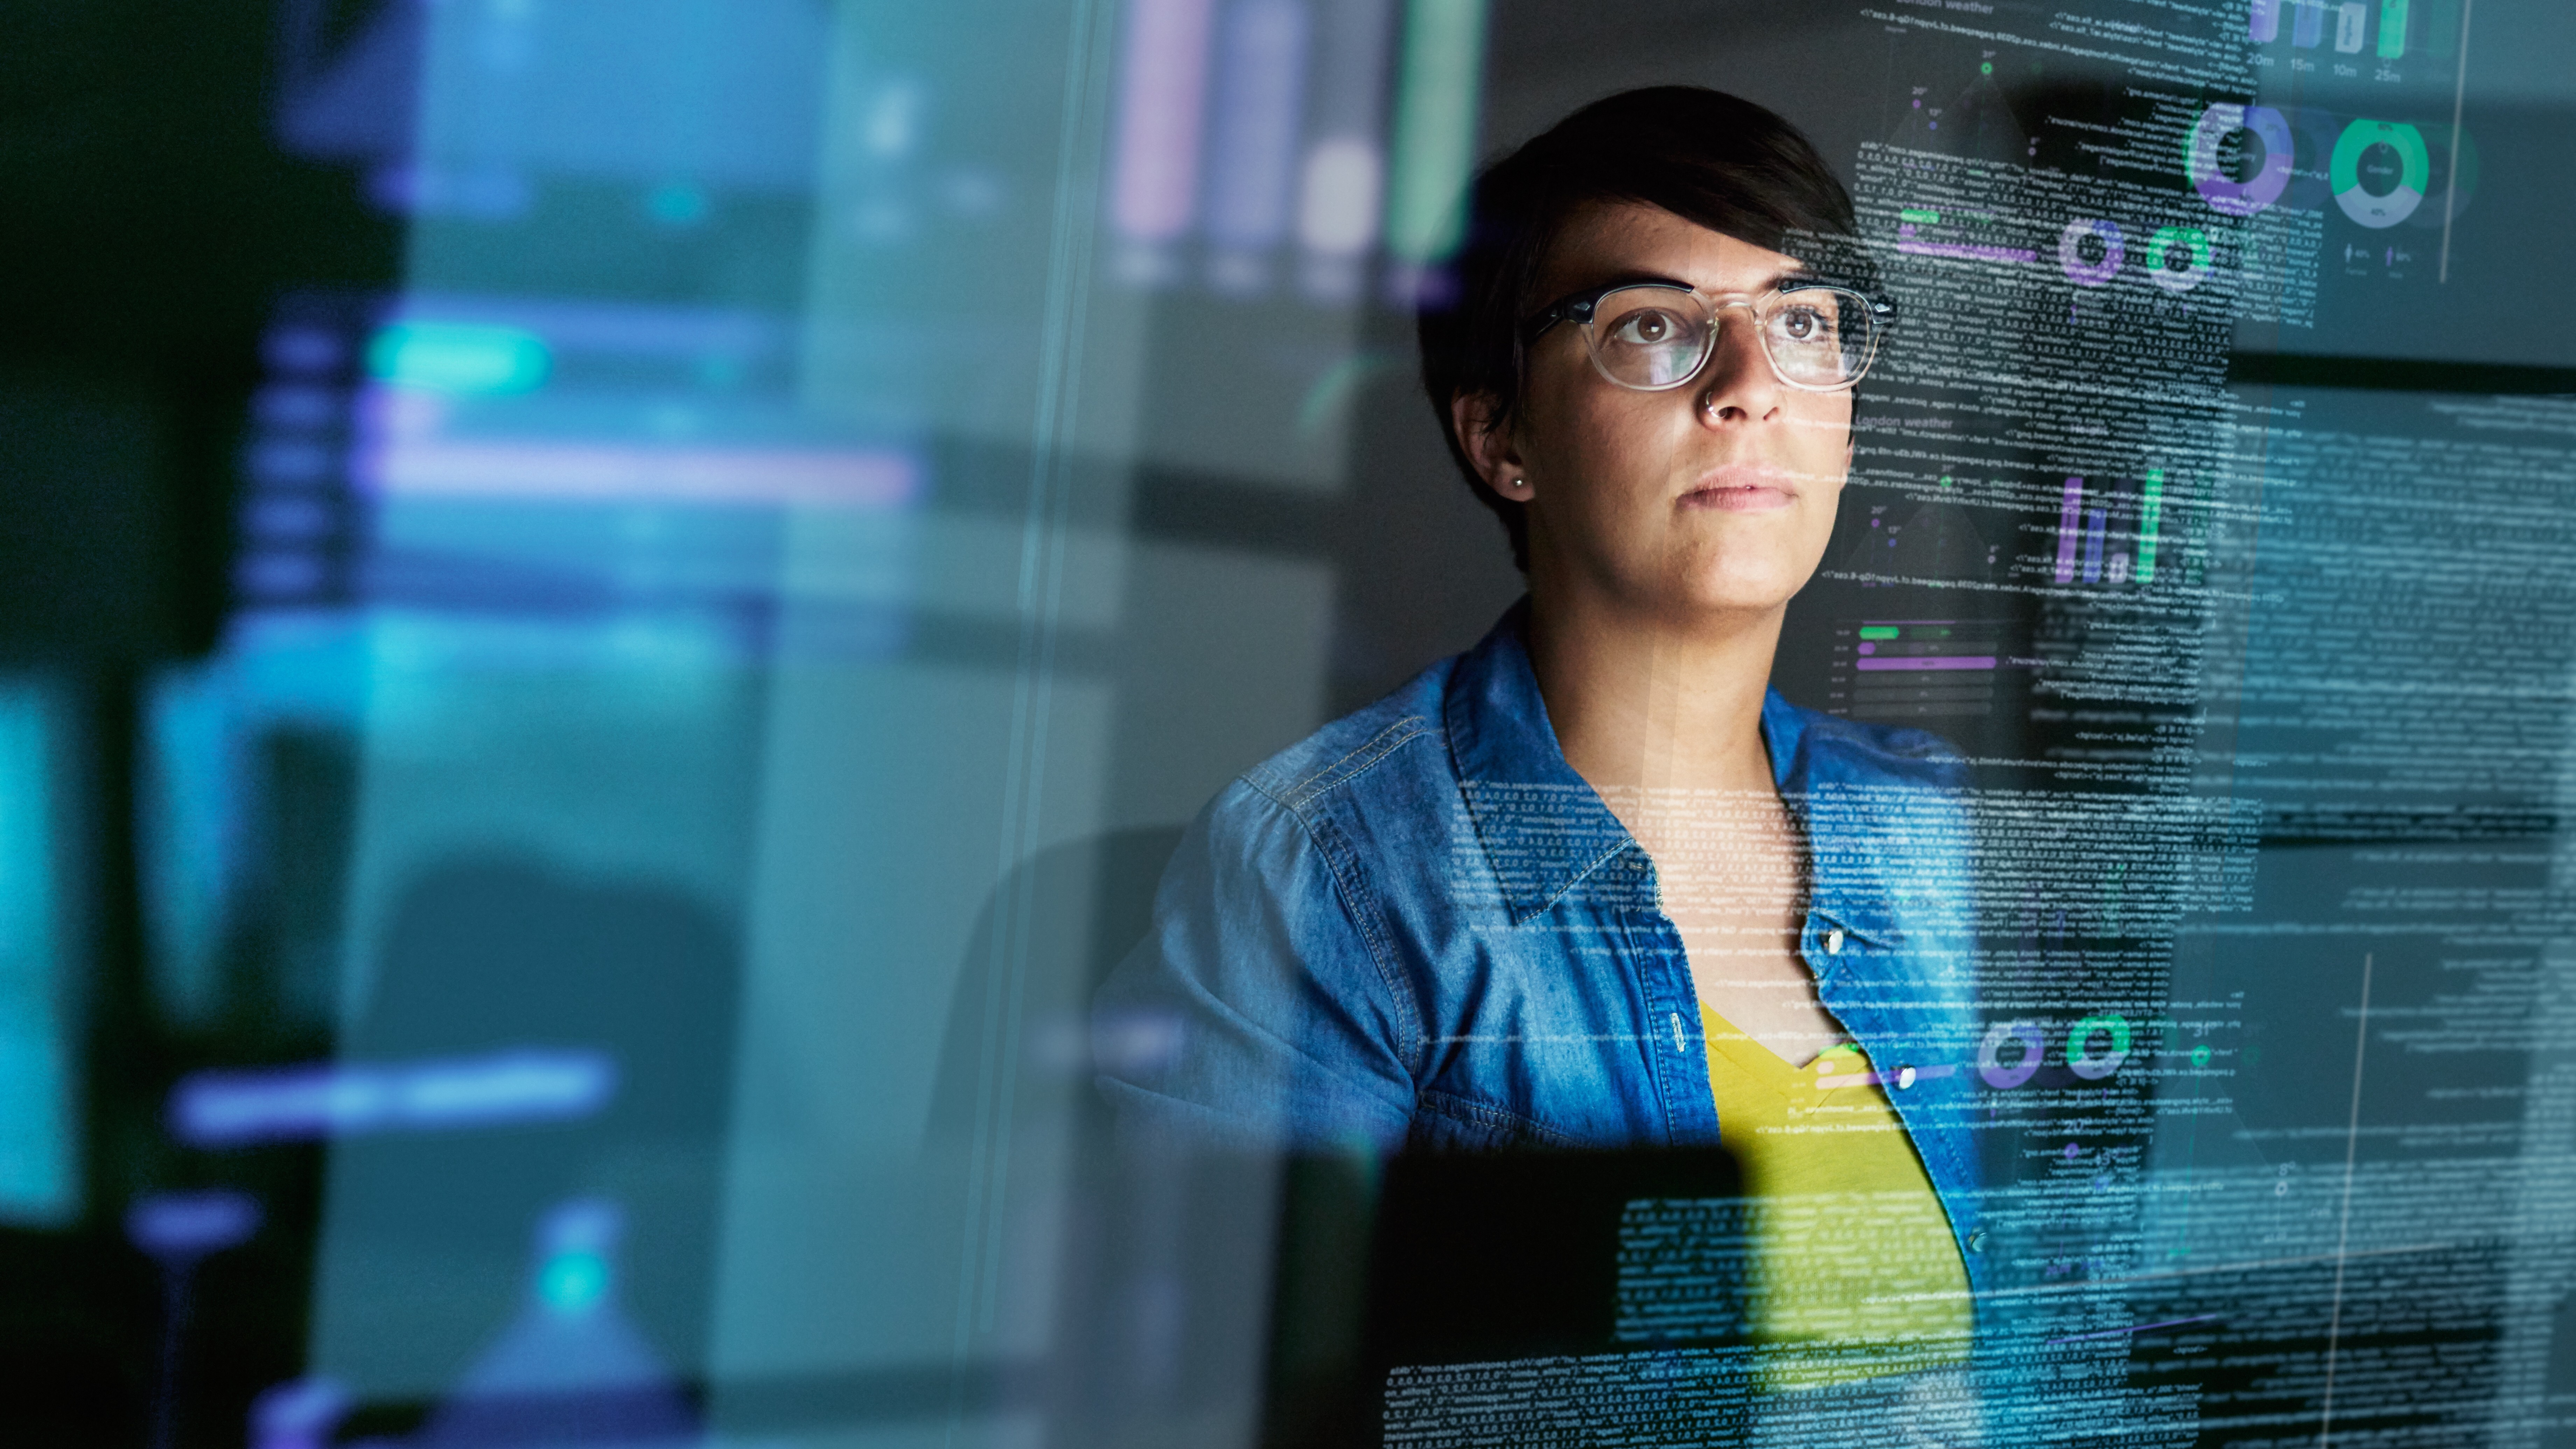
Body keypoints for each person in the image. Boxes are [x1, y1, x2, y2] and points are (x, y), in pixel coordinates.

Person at [1093, 86, 1988, 1390]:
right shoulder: (1333, 868)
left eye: (1802, 323)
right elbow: (1202, 1397)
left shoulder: (1947, 829)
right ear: (1501, 435)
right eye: (1653, 328)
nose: (1752, 388)